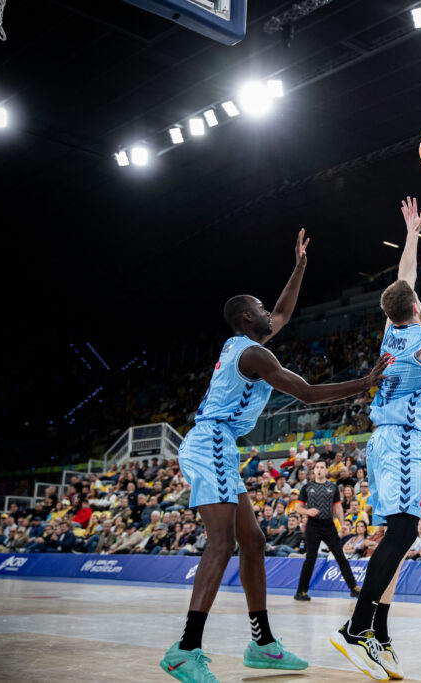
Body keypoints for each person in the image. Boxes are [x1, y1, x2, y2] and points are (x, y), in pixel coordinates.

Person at [164, 229, 389, 681]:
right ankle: (185, 649)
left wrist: (301, 265)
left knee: (254, 542)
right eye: (262, 310)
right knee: (223, 542)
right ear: (248, 317)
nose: (273, 313)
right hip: (210, 443)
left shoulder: (246, 344)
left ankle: (262, 644)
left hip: (218, 444)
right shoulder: (253, 355)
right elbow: (305, 393)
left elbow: (284, 310)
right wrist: (363, 383)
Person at [332, 197, 421, 681]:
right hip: (406, 440)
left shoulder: (390, 329)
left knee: (398, 537)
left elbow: (404, 279)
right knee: (406, 532)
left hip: (379, 441)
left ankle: (379, 634)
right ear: (417, 306)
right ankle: (356, 627)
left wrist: (411, 233)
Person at [294, 459, 359, 601]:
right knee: (310, 559)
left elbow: (338, 507)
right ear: (314, 470)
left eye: (322, 467)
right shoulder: (307, 487)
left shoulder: (333, 487)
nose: (319, 469)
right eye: (317, 467)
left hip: (329, 525)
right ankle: (301, 592)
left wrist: (342, 524)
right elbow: (297, 508)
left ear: (326, 470)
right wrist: (308, 511)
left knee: (340, 557)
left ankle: (353, 588)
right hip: (313, 526)